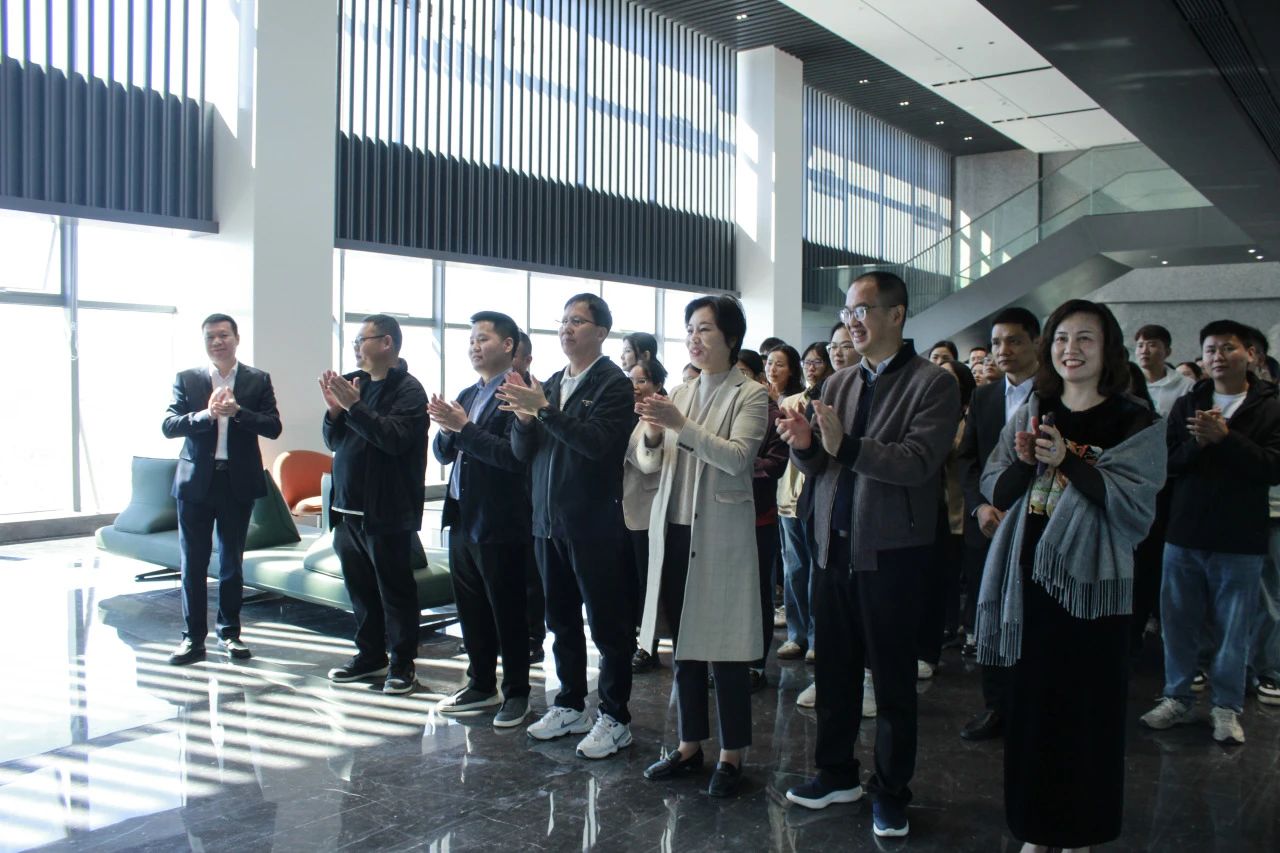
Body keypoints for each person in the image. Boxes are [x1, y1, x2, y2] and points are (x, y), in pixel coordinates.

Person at [977, 299, 1164, 851]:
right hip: (1029, 582)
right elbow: (1000, 487)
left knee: (1087, 713)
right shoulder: (1035, 408)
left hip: (1092, 590)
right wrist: (1024, 460)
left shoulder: (1135, 420)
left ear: (1107, 350)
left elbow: (1134, 509)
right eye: (1061, 338)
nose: (1070, 349)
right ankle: (1033, 829)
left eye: (1085, 338)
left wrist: (1068, 461)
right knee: (1031, 709)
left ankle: (1081, 831)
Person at [778, 272, 959, 839]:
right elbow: (822, 465)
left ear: (896, 314)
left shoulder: (933, 384)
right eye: (847, 312)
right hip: (832, 547)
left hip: (893, 553)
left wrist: (845, 445)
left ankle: (891, 792)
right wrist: (805, 447)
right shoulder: (837, 383)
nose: (851, 322)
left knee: (893, 682)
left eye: (862, 310)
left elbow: (917, 462)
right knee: (834, 674)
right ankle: (836, 774)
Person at [633, 294, 768, 797]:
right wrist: (652, 433)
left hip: (719, 533)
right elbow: (649, 462)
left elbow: (737, 458)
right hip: (674, 528)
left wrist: (677, 425)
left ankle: (732, 756)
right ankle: (689, 745)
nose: (694, 337)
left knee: (726, 649)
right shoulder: (681, 391)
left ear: (731, 338)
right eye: (690, 328)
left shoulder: (750, 394)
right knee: (684, 646)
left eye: (705, 329)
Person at [498, 293, 638, 759]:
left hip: (593, 522)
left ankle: (615, 717)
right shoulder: (553, 382)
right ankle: (570, 704)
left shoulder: (613, 384)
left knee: (608, 625)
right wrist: (525, 420)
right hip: (547, 522)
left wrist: (544, 410)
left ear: (601, 332)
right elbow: (523, 453)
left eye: (577, 321)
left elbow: (597, 444)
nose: (566, 328)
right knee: (559, 621)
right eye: (562, 321)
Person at [1141, 319, 1280, 745]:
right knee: (1179, 624)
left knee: (1233, 628)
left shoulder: (1271, 406)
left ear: (1250, 355)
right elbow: (1166, 462)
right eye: (1210, 349)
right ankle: (1177, 697)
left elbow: (1272, 467)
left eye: (1228, 348)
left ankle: (1226, 707)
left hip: (1240, 537)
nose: (1218, 356)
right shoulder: (1189, 402)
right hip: (1185, 531)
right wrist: (1199, 445)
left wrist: (1226, 438)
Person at [429, 311, 532, 727]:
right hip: (462, 516)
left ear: (507, 345)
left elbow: (513, 457)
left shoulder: (519, 394)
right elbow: (444, 454)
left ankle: (517, 693)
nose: (474, 346)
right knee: (470, 608)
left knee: (507, 611)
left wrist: (464, 428)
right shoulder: (469, 393)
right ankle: (481, 683)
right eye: (471, 339)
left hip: (501, 520)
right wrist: (446, 428)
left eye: (483, 339)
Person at [162, 314, 282, 665]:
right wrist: (207, 415)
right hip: (196, 483)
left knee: (232, 563)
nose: (217, 342)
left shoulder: (257, 379)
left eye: (224, 335)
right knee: (193, 563)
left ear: (236, 338)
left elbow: (273, 427)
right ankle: (192, 638)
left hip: (237, 482)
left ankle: (229, 633)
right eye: (210, 337)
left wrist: (239, 411)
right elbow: (169, 425)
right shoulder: (187, 379)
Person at [322, 314, 429, 694]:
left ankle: (402, 664)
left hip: (387, 509)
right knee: (361, 590)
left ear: (386, 343)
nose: (355, 346)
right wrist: (335, 412)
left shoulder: (409, 390)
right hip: (346, 508)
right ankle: (370, 655)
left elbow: (394, 439)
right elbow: (334, 442)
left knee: (395, 591)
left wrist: (354, 407)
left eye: (361, 339)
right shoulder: (356, 384)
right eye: (354, 340)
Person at [957, 307, 1040, 740]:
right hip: (988, 523)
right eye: (995, 343)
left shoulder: (1055, 395)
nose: (1003, 350)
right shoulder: (985, 396)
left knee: (1031, 616)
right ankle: (995, 705)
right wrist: (979, 508)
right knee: (988, 614)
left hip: (1037, 523)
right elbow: (967, 460)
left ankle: (1033, 705)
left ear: (1036, 343)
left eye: (1014, 341)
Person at [917, 359, 976, 680]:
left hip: (959, 507)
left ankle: (957, 629)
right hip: (929, 507)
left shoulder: (969, 416)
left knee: (954, 575)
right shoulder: (926, 412)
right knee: (934, 577)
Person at [737, 349, 789, 689]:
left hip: (759, 517)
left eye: (743, 373)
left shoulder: (774, 414)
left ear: (758, 378)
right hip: (723, 516)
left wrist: (736, 463)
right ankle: (730, 661)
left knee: (757, 594)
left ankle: (756, 665)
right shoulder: (727, 411)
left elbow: (775, 465)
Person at [625, 358, 668, 674]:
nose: (634, 386)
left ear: (657, 384)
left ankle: (648, 646)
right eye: (631, 380)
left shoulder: (660, 414)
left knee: (647, 582)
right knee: (629, 581)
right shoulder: (625, 412)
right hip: (622, 509)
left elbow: (650, 462)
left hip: (647, 508)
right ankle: (631, 641)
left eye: (641, 381)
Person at [513, 330, 546, 663]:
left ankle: (534, 635)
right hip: (495, 504)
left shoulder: (538, 395)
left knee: (530, 576)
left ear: (526, 360)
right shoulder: (476, 393)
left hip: (530, 500)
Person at [1136, 324, 1194, 417]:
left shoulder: (1185, 385)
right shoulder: (1128, 383)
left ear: (1167, 352)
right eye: (1140, 345)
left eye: (1152, 345)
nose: (1144, 351)